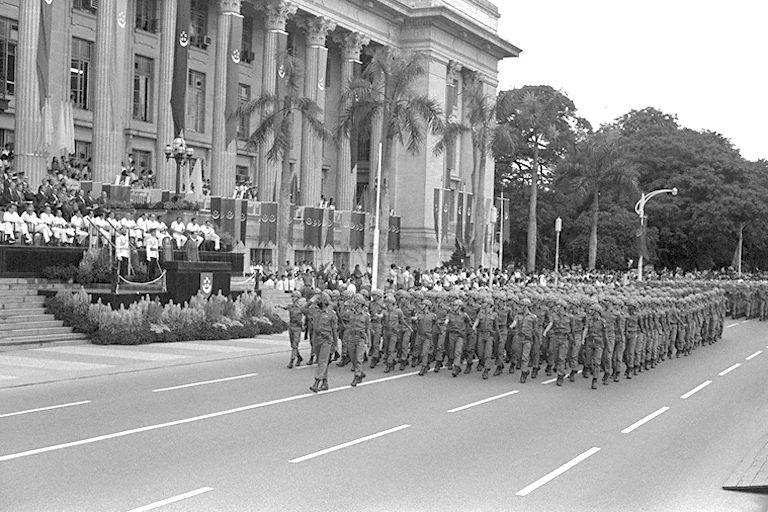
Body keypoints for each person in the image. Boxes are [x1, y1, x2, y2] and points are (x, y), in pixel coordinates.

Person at [309, 292, 338, 393]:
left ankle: (316, 382)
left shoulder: (331, 314)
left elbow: (334, 330)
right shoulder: (315, 311)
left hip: (326, 340)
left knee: (322, 361)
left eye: (320, 300)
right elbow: (303, 309)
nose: (318, 302)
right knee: (322, 361)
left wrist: (335, 345)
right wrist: (311, 300)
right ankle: (325, 382)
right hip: (317, 339)